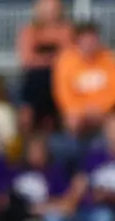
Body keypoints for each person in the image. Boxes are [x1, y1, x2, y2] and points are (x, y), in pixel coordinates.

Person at [53, 22, 115, 138]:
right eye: (86, 39)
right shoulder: (66, 61)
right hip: (77, 113)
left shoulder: (108, 58)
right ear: (78, 41)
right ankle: (75, 154)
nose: (89, 43)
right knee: (72, 121)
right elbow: (63, 94)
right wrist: (83, 110)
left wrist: (101, 108)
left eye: (93, 39)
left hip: (104, 112)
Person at [17, 0, 73, 134]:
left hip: (60, 79)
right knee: (36, 82)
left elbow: (68, 57)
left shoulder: (66, 30)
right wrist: (53, 58)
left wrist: (42, 59)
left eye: (54, 8)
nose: (51, 12)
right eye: (47, 8)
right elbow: (27, 60)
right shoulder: (29, 30)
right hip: (35, 80)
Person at [7, 132, 74, 221]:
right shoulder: (16, 173)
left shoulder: (55, 172)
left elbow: (66, 204)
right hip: (20, 217)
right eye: (33, 150)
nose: (37, 154)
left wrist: (43, 208)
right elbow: (8, 201)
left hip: (47, 218)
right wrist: (30, 209)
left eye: (40, 150)